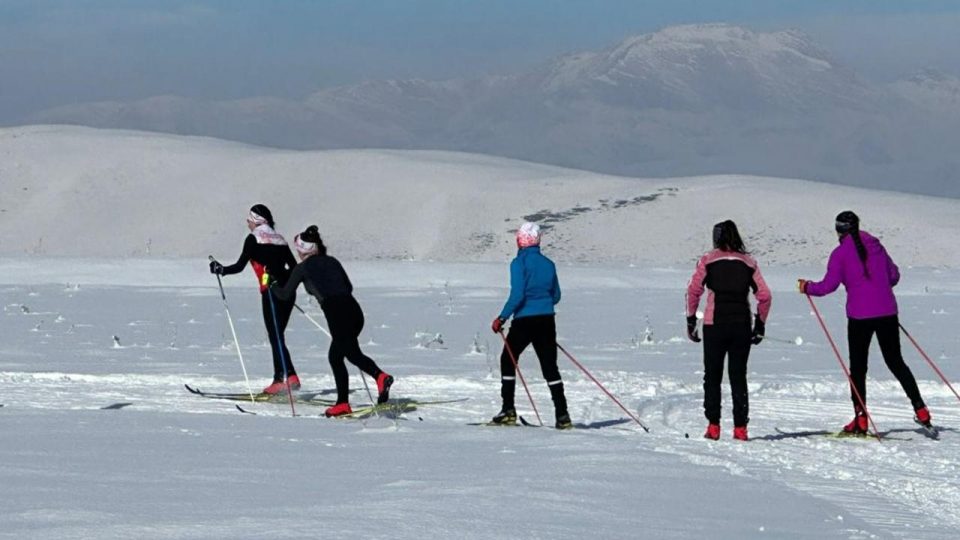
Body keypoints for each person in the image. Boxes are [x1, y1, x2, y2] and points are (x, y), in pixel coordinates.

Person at [798, 211, 932, 433]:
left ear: (839, 230)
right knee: (896, 362)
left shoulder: (839, 253)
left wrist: (806, 287)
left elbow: (827, 287)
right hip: (888, 312)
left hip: (860, 317)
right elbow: (894, 276)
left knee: (858, 368)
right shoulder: (877, 246)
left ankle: (861, 419)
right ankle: (921, 409)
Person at [271, 225, 393, 418]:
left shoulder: (302, 268)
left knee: (349, 354)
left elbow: (286, 295)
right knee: (338, 356)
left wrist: (272, 285)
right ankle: (343, 402)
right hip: (354, 310)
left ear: (302, 250)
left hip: (336, 313)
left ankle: (379, 377)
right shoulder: (332, 261)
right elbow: (349, 287)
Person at [686, 220, 772, 441]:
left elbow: (693, 291)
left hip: (714, 325)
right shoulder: (749, 262)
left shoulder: (708, 260)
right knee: (738, 376)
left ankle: (713, 426)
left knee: (712, 376)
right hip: (741, 325)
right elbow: (764, 296)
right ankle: (740, 428)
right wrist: (760, 323)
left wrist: (690, 320)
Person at [210, 204, 299, 394]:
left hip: (271, 290)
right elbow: (294, 267)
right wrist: (286, 284)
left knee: (275, 334)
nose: (247, 223)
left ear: (256, 221)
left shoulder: (254, 239)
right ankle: (290, 376)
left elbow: (240, 266)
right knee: (277, 334)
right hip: (288, 291)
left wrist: (221, 270)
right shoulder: (279, 239)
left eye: (249, 220)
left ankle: (280, 379)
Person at [490, 222, 570, 429]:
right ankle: (562, 415)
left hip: (524, 320)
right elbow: (556, 296)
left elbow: (518, 294)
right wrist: (542, 305)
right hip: (546, 320)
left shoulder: (518, 264)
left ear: (520, 240)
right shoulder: (548, 264)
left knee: (508, 360)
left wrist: (502, 318)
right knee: (550, 368)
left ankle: (508, 410)